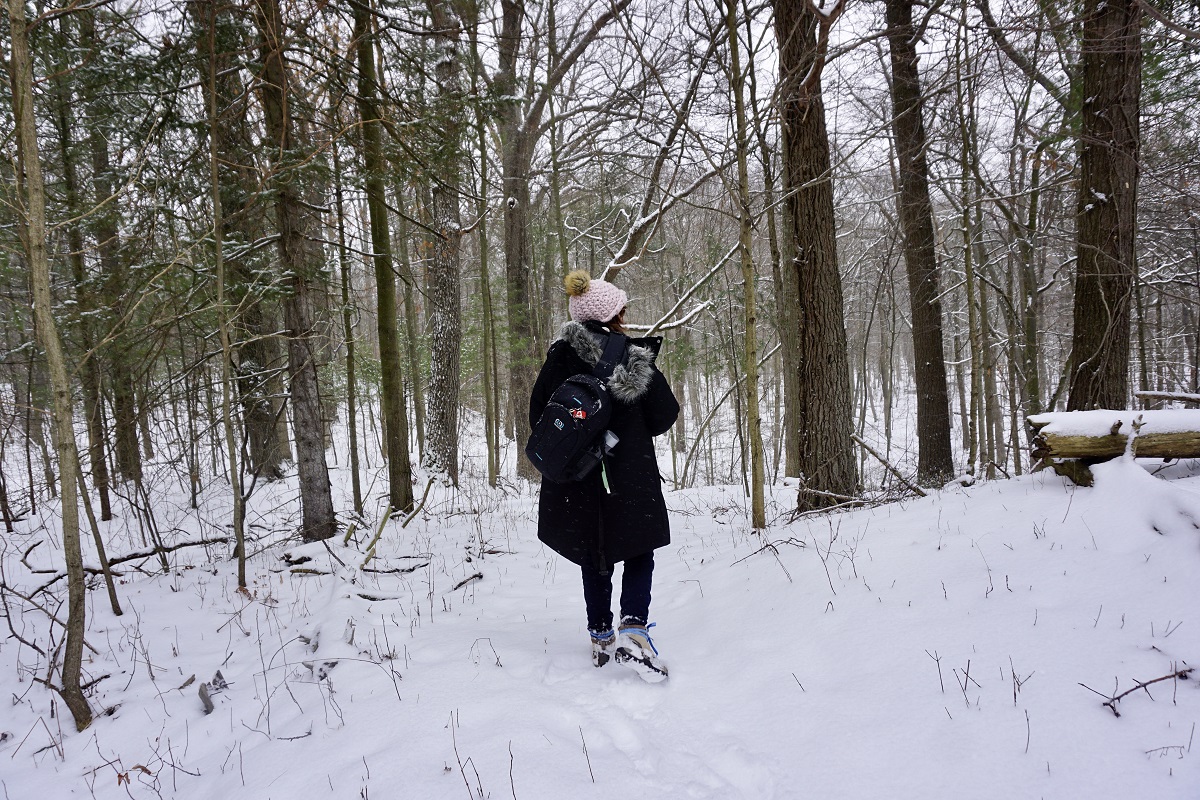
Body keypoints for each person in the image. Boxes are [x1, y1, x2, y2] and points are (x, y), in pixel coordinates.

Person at [529, 269, 680, 681]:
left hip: (577, 478)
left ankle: (600, 635)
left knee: (593, 555)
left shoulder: (557, 357)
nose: (626, 317)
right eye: (622, 311)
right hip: (627, 474)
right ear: (612, 316)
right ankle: (634, 626)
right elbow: (665, 416)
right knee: (637, 549)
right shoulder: (631, 358)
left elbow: (538, 417)